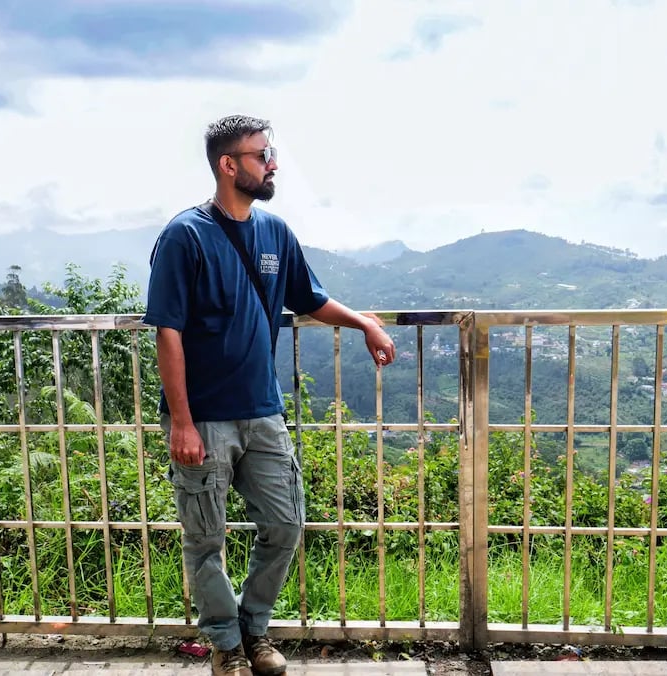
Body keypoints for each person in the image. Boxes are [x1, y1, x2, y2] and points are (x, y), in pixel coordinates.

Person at [142, 114, 396, 676]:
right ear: (228, 164)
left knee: (285, 524)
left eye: (271, 152)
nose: (273, 162)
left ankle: (254, 630)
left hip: (263, 411)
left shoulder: (275, 231)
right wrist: (181, 421)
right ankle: (226, 646)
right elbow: (168, 331)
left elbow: (309, 297)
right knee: (204, 537)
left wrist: (365, 325)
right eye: (261, 155)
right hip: (204, 418)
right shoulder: (185, 235)